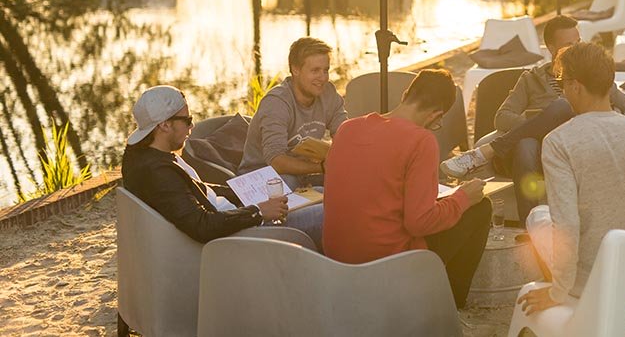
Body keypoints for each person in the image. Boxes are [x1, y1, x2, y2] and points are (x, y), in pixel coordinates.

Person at [516, 42, 625, 334]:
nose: (562, 91)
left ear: (576, 86)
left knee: (537, 217)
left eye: (561, 83)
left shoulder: (559, 142)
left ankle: (566, 304)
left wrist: (558, 290)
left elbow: (567, 225)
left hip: (594, 281)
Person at [322, 69, 491, 309]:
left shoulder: (348, 129)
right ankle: (449, 305)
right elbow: (419, 222)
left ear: (405, 94)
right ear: (437, 115)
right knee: (480, 207)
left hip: (337, 259)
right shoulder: (421, 140)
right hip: (390, 263)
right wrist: (463, 197)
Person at [441, 15, 625, 214]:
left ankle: (486, 152)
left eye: (578, 42)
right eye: (569, 45)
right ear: (551, 48)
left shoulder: (593, 76)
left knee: (562, 106)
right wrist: (540, 121)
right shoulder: (530, 79)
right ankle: (529, 225)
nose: (577, 48)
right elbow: (502, 117)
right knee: (527, 143)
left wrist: (619, 123)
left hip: (581, 145)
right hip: (539, 152)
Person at [121, 85, 323, 245]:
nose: (192, 126)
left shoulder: (150, 155)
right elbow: (202, 225)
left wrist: (250, 192)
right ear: (164, 125)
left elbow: (198, 191)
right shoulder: (157, 173)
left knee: (317, 192)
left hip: (235, 217)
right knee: (329, 213)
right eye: (187, 120)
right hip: (240, 235)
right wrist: (258, 211)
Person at [239, 37, 347, 190]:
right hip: (261, 177)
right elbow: (276, 161)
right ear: (295, 69)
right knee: (287, 182)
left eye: (326, 70)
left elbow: (345, 134)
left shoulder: (328, 93)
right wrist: (322, 168)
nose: (323, 78)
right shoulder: (276, 103)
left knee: (353, 177)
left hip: (303, 174)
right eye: (315, 70)